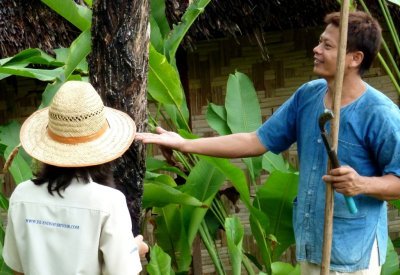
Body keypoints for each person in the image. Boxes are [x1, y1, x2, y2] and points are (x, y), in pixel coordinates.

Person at [136, 11, 400, 274]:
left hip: (354, 254)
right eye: (320, 41)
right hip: (312, 246)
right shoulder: (308, 96)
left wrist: (361, 184)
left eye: (327, 46)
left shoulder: (380, 114)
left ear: (355, 58)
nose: (316, 49)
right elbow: (255, 140)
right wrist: (184, 144)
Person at [3, 81, 149, 275]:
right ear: (102, 146)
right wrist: (135, 250)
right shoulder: (109, 202)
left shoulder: (21, 196)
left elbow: (17, 269)